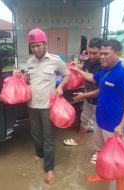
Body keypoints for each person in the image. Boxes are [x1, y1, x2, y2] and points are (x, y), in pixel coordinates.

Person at [76, 39, 124, 164]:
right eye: (102, 53)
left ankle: (117, 182)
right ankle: (101, 172)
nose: (102, 57)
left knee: (118, 160)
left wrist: (121, 126)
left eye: (106, 54)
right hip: (100, 121)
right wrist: (76, 69)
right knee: (100, 150)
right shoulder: (104, 72)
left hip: (115, 126)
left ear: (118, 53)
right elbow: (92, 78)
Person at [25, 28, 70, 184]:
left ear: (44, 43)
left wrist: (60, 87)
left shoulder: (55, 60)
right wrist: (19, 75)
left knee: (48, 137)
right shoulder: (29, 62)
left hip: (47, 106)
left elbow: (67, 74)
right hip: (31, 105)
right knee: (35, 133)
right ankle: (40, 154)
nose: (35, 49)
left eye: (38, 45)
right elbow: (26, 80)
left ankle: (49, 168)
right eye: (32, 46)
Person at [63, 38, 103, 148]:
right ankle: (79, 140)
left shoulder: (103, 66)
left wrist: (83, 95)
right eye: (89, 52)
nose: (91, 55)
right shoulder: (89, 60)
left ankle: (98, 150)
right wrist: (76, 65)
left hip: (100, 102)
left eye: (95, 53)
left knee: (100, 126)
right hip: (88, 98)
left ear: (102, 52)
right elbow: (85, 68)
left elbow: (98, 87)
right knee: (84, 119)